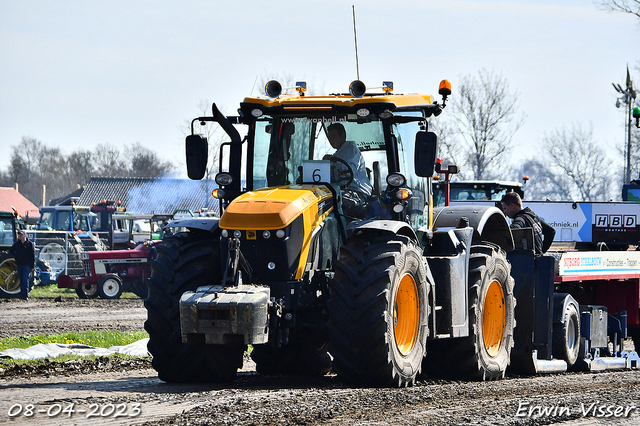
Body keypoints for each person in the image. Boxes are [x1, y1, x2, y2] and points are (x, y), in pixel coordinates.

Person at [323, 123, 372, 209]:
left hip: (357, 192)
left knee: (329, 202)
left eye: (333, 136)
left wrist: (332, 161)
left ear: (343, 135)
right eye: (329, 137)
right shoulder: (338, 154)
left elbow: (348, 172)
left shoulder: (351, 148)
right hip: (342, 191)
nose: (331, 140)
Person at [501, 192, 555, 256]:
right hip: (538, 260)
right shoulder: (534, 217)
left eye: (505, 208)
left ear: (512, 206)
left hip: (528, 262)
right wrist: (542, 251)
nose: (504, 212)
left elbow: (514, 229)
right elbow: (551, 231)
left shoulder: (520, 219)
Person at [9, 230, 35, 300]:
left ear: (25, 235)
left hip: (27, 265)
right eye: (19, 235)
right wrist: (16, 256)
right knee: (21, 279)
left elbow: (32, 255)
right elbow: (11, 250)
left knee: (25, 279)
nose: (20, 236)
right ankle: (21, 295)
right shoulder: (17, 244)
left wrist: (32, 266)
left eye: (22, 235)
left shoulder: (29, 244)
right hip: (19, 264)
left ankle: (25, 296)